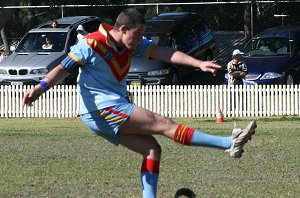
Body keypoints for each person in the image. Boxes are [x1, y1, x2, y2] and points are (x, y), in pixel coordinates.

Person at [23, 8, 257, 198]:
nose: (139, 40)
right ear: (123, 29)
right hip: (102, 109)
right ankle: (228, 142)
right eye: (137, 34)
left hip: (105, 111)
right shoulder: (91, 44)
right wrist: (40, 88)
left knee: (152, 149)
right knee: (162, 123)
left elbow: (166, 53)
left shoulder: (129, 43)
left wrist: (199, 64)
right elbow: (63, 69)